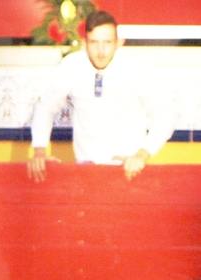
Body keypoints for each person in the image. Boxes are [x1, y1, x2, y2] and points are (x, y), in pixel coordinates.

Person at [28, 9, 175, 182]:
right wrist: (39, 149)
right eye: (94, 42)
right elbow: (45, 106)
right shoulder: (72, 66)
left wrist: (142, 154)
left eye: (107, 42)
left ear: (119, 42)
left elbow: (165, 116)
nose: (101, 50)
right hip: (86, 171)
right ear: (84, 43)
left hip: (129, 171)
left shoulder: (137, 69)